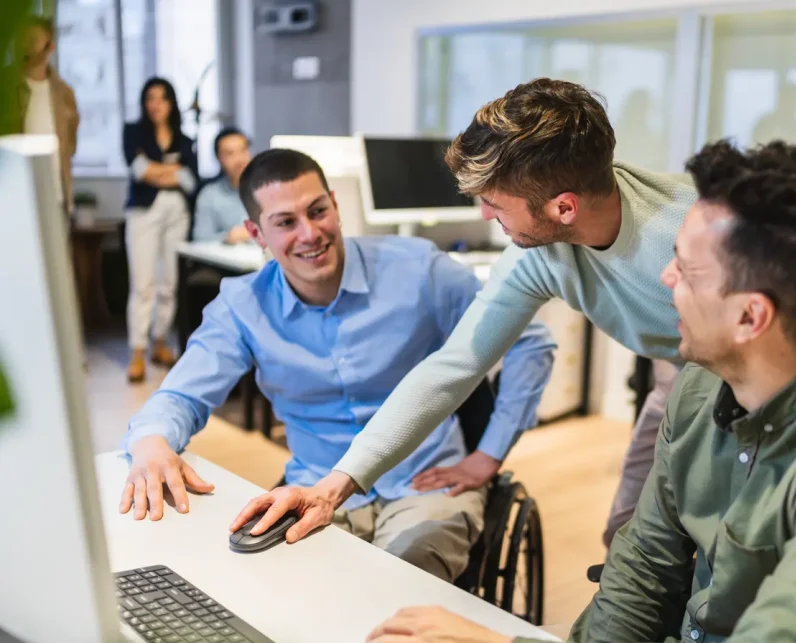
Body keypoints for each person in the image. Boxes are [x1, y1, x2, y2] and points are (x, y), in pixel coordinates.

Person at [357, 139, 796, 643]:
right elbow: (643, 571)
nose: (664, 280)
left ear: (749, 317)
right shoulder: (694, 393)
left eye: (684, 269)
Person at [225, 77, 796, 545]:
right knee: (631, 534)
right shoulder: (540, 251)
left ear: (562, 207)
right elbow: (454, 365)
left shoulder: (698, 232)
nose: (485, 215)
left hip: (756, 373)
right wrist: (338, 483)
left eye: (496, 202)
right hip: (679, 369)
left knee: (731, 545)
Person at [118, 149, 556, 582]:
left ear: (336, 206)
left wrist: (488, 454)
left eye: (317, 211)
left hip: (426, 484)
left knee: (398, 583)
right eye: (286, 223)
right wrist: (152, 441)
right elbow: (180, 395)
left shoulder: (418, 270)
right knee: (264, 587)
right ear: (256, 233)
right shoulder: (243, 305)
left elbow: (530, 342)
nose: (309, 233)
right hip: (315, 486)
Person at [122, 76, 198, 383]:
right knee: (143, 284)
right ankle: (137, 351)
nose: (156, 104)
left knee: (170, 281)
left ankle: (160, 342)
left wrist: (162, 171)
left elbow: (191, 181)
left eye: (162, 98)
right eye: (150, 98)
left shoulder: (184, 138)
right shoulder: (133, 132)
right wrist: (175, 171)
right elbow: (140, 172)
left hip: (177, 212)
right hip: (144, 211)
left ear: (171, 102)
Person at [15, 15, 79, 213]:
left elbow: (70, 145)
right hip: (15, 194)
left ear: (50, 46)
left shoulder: (64, 94)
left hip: (55, 194)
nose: (27, 46)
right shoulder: (7, 87)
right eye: (23, 39)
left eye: (34, 40)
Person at [192, 127, 252, 244]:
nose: (239, 159)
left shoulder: (270, 190)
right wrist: (228, 237)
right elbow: (200, 238)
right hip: (226, 259)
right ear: (219, 159)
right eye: (230, 154)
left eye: (243, 150)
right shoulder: (209, 195)